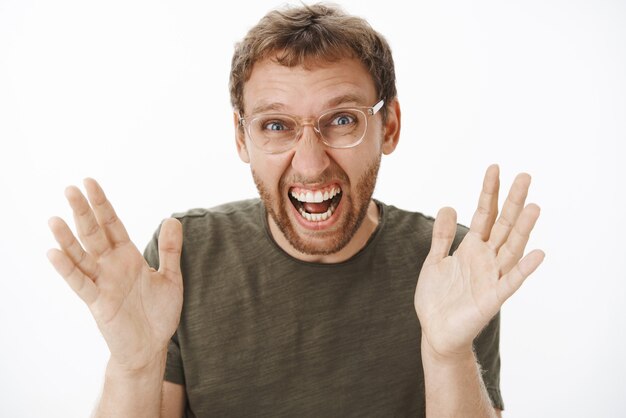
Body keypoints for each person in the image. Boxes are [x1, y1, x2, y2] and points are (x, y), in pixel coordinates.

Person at [47, 3, 544, 417]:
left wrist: (446, 352)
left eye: (343, 119)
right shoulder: (187, 257)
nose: (310, 163)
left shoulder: (451, 266)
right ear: (242, 137)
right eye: (276, 126)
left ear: (388, 126)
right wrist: (132, 368)